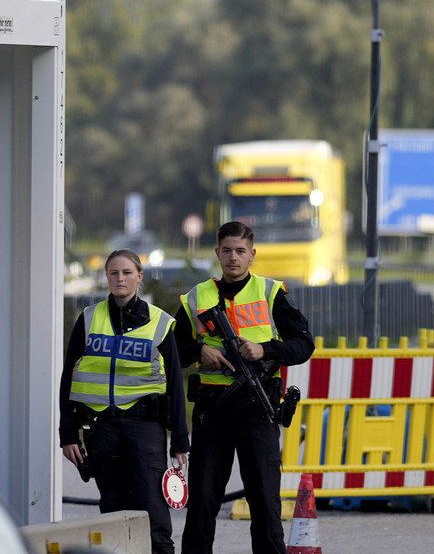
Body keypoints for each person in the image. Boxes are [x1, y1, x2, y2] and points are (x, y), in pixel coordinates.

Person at [177, 221, 314, 554]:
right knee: (202, 503)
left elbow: (303, 344)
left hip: (258, 407)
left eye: (240, 251)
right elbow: (173, 349)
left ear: (252, 254)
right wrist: (200, 351)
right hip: (213, 410)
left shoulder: (270, 292)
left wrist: (264, 349)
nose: (233, 258)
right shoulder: (197, 296)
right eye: (227, 251)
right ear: (217, 253)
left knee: (265, 502)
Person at [58, 249, 189, 554]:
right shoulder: (89, 319)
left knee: (152, 513)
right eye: (114, 273)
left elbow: (174, 385)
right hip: (102, 428)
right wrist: (67, 433)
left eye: (127, 272)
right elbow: (69, 377)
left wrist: (179, 439)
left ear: (139, 277)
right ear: (106, 277)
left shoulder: (160, 323)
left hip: (145, 427)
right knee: (113, 511)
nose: (120, 278)